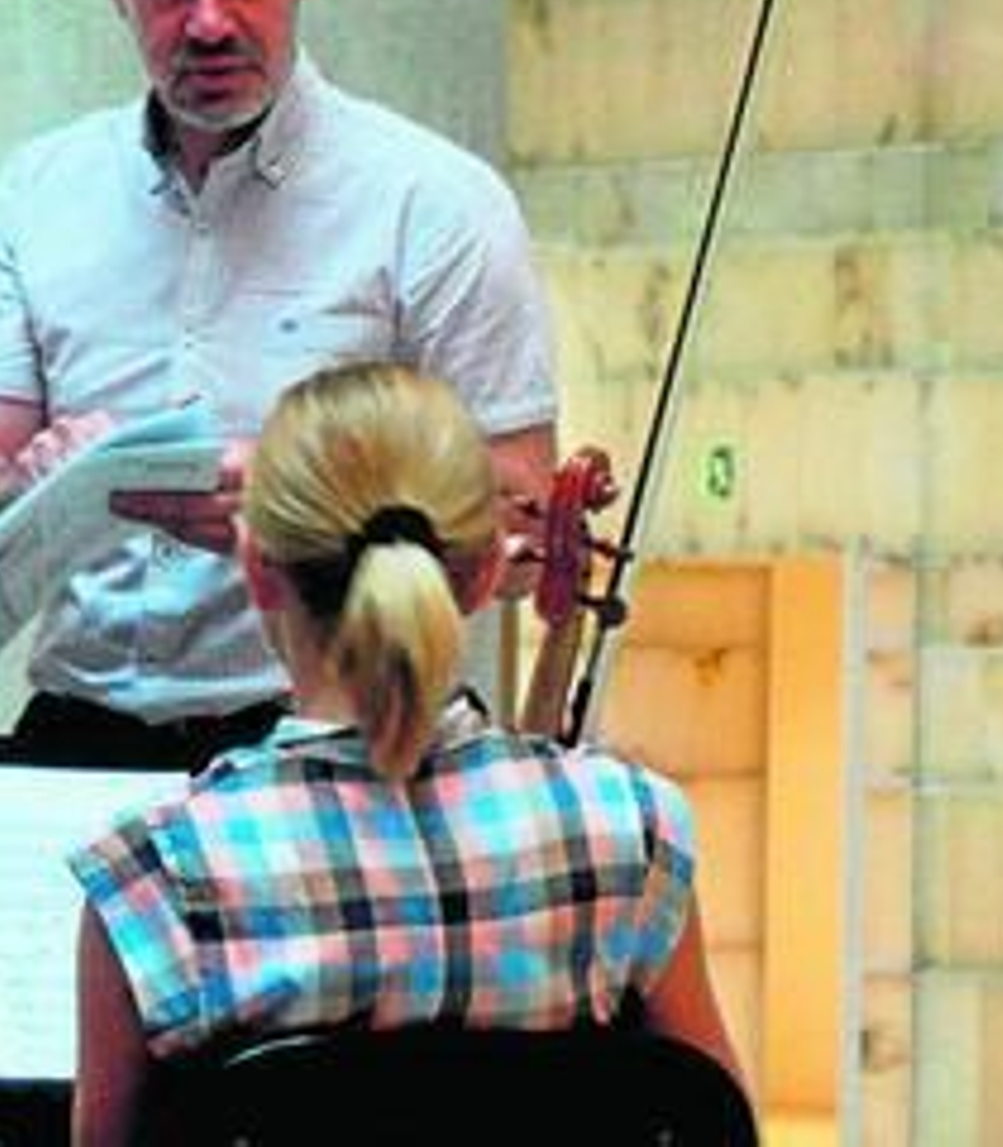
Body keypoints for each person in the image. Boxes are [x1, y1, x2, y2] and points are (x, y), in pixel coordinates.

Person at [0, 0, 558, 769]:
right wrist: (33, 483)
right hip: (81, 733)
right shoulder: (42, 189)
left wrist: (313, 495)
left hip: (341, 737)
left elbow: (523, 524)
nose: (209, 21)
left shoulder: (435, 202)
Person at [67, 362, 745, 1147]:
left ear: (256, 568)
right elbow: (712, 1121)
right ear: (489, 569)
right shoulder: (631, 830)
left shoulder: (163, 877)